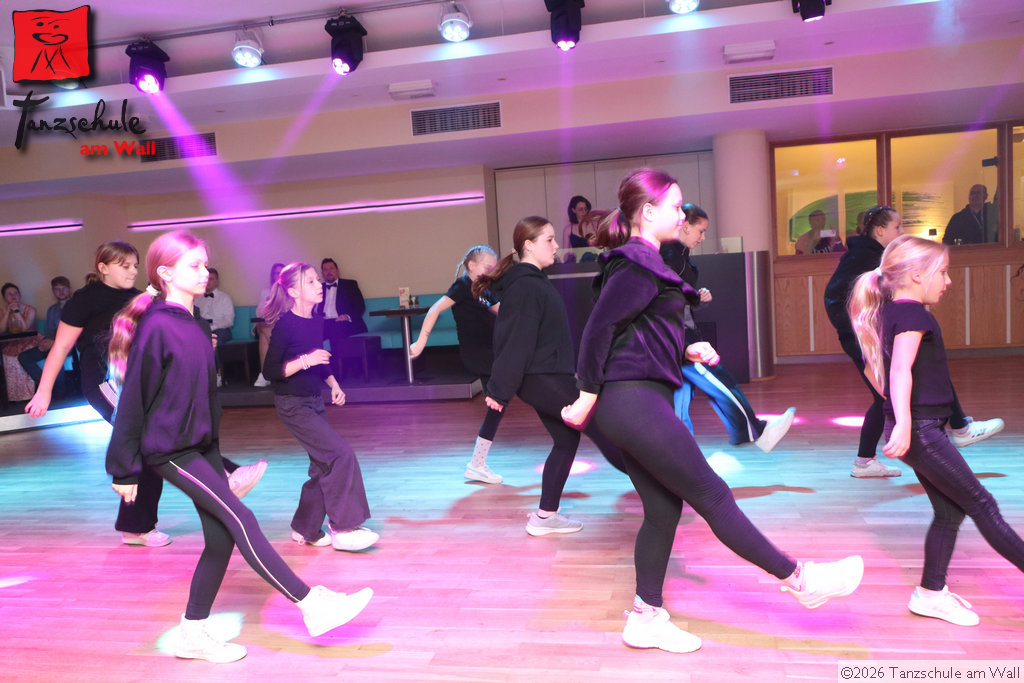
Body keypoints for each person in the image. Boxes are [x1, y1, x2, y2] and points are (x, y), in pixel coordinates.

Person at [562, 169, 863, 654]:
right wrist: (585, 395)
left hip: (635, 399)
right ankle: (801, 580)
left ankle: (645, 617)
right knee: (713, 493)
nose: (682, 214)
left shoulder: (643, 261)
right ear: (648, 212)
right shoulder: (636, 261)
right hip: (632, 401)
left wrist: (688, 348)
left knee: (663, 509)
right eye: (675, 206)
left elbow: (636, 333)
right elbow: (598, 330)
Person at [106, 231, 372, 661]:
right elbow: (133, 399)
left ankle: (192, 632)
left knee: (220, 539)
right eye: (194, 265)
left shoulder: (197, 324)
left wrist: (219, 458)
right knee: (241, 519)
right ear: (166, 273)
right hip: (170, 450)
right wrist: (123, 467)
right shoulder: (157, 326)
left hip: (200, 447)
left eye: (205, 263)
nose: (204, 271)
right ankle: (312, 604)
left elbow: (203, 397)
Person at [25, 241, 265, 547]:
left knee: (151, 448)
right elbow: (61, 346)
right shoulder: (85, 300)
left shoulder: (141, 299)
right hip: (104, 385)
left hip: (134, 381)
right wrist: (44, 391)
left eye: (136, 266)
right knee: (149, 437)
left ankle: (137, 525)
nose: (132, 271)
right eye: (125, 266)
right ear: (103, 268)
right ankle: (224, 478)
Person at [848, 234, 1023, 626]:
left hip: (922, 430)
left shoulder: (891, 312)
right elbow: (898, 370)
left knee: (950, 511)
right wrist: (904, 423)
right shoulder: (913, 315)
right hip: (922, 432)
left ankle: (930, 593)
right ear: (915, 275)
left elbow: (874, 370)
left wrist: (898, 418)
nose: (948, 281)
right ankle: (931, 592)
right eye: (942, 273)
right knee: (982, 505)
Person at [473, 216, 630, 536]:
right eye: (549, 240)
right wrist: (498, 390)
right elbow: (516, 341)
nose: (556, 246)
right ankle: (661, 484)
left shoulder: (531, 281)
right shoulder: (526, 285)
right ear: (528, 246)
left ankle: (545, 516)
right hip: (541, 378)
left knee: (566, 440)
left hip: (547, 375)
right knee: (602, 427)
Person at [825, 206, 1003, 478]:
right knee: (891, 390)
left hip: (866, 334)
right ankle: (959, 429)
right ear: (880, 231)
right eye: (897, 227)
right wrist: (870, 330)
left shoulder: (867, 256)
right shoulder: (866, 257)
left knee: (893, 389)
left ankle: (866, 460)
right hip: (863, 336)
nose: (901, 232)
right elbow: (839, 301)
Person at [260, 262, 378, 552]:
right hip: (292, 404)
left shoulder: (315, 320)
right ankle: (343, 528)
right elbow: (270, 370)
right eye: (311, 281)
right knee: (341, 455)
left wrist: (334, 384)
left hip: (313, 400)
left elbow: (319, 360)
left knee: (322, 465)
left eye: (317, 280)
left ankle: (304, 527)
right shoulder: (286, 324)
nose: (318, 286)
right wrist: (305, 361)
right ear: (293, 292)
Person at [660, 204, 796, 451]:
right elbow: (667, 298)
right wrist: (693, 299)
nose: (703, 238)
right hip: (678, 337)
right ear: (686, 226)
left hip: (678, 335)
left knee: (682, 395)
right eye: (701, 231)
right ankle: (755, 432)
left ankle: (680, 452)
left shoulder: (680, 258)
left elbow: (677, 299)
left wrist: (696, 299)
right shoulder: (670, 257)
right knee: (718, 380)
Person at [409, 245, 504, 484]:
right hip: (477, 354)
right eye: (487, 267)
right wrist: (421, 342)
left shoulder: (484, 290)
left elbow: (502, 312)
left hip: (490, 352)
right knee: (502, 398)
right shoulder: (462, 286)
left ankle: (477, 464)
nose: (491, 272)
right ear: (471, 266)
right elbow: (435, 309)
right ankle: (477, 464)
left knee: (497, 405)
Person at [314, 258, 368, 382]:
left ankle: (336, 373)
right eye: (325, 270)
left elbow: (360, 306)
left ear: (337, 271)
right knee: (310, 334)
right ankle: (314, 372)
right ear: (322, 273)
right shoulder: (319, 287)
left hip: (344, 322)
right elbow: (314, 309)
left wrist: (346, 316)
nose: (328, 272)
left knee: (335, 330)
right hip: (324, 322)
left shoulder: (350, 285)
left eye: (331, 268)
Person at [194, 267, 235, 388]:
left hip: (221, 330)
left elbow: (229, 321)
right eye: (206, 279)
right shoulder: (197, 299)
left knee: (213, 341)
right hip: (201, 330)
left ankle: (217, 374)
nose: (208, 282)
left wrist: (212, 327)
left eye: (211, 279)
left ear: (217, 281)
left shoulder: (225, 298)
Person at [253, 262, 284, 388]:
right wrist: (268, 305)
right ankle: (279, 358)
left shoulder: (290, 291)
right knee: (262, 327)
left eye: (282, 273)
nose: (279, 276)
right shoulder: (266, 292)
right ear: (273, 276)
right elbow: (259, 312)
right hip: (267, 324)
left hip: (281, 326)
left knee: (263, 333)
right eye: (277, 273)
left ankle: (264, 374)